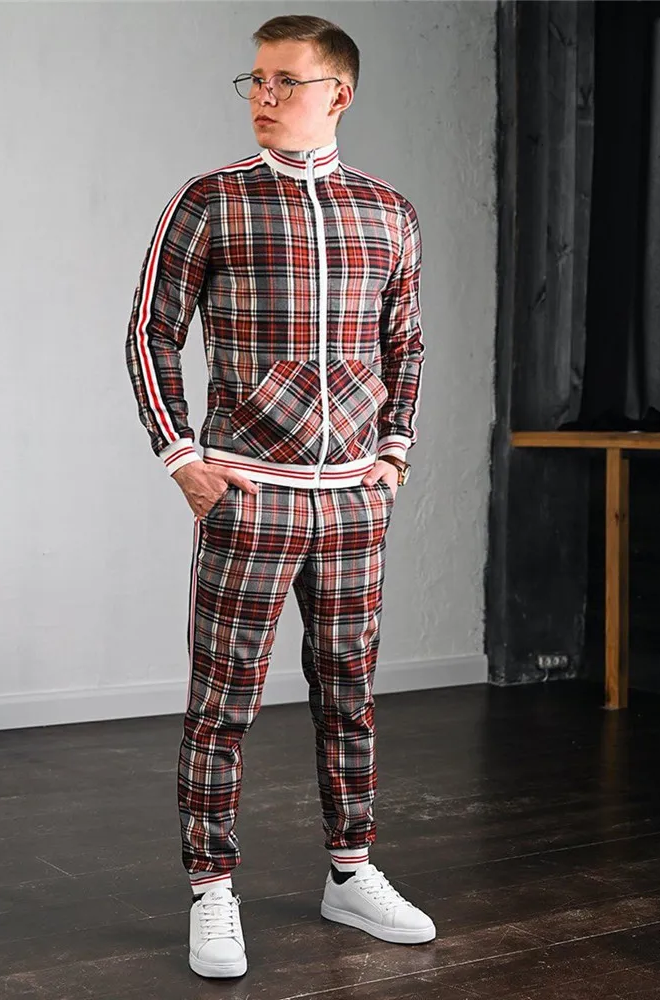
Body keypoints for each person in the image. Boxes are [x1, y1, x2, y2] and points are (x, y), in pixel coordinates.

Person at [125, 13, 435, 980]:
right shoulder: (211, 200)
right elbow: (150, 332)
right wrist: (183, 459)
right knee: (223, 704)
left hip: (352, 504)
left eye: (284, 81)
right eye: (255, 80)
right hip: (249, 495)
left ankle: (351, 870)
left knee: (351, 697)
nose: (262, 96)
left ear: (339, 93)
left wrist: (394, 455)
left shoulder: (388, 211)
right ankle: (212, 889)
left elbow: (405, 342)